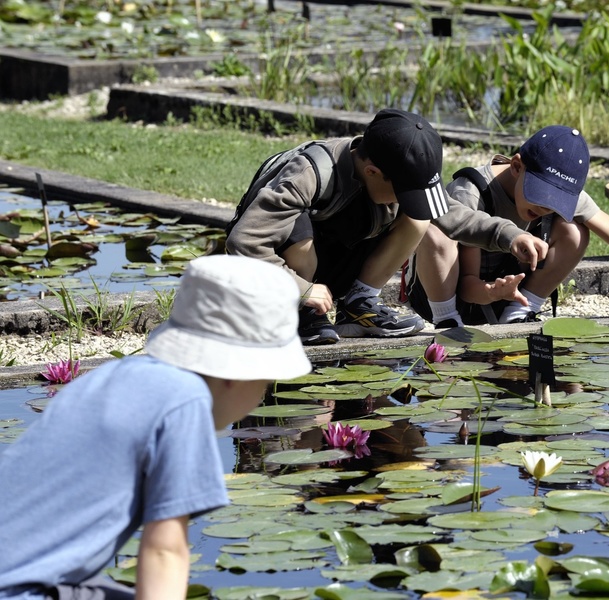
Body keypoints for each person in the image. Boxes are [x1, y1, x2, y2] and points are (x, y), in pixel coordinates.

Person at [0, 254, 311, 599]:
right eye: (265, 381)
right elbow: (165, 552)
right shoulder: (185, 398)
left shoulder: (114, 377)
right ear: (236, 375)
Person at [225, 108, 450, 346]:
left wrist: (494, 234)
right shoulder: (308, 174)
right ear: (372, 172)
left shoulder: (388, 174)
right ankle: (298, 314)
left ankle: (358, 306)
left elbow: (457, 219)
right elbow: (242, 242)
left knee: (418, 217)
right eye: (403, 193)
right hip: (273, 276)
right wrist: (302, 289)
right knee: (298, 229)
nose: (402, 200)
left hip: (328, 266)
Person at [406, 125, 609, 327]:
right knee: (436, 232)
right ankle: (447, 322)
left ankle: (519, 313)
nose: (546, 208)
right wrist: (492, 292)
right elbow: (467, 286)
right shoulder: (471, 193)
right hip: (451, 295)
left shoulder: (558, 189)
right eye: (540, 196)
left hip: (507, 294)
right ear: (516, 166)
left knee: (574, 231)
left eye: (555, 202)